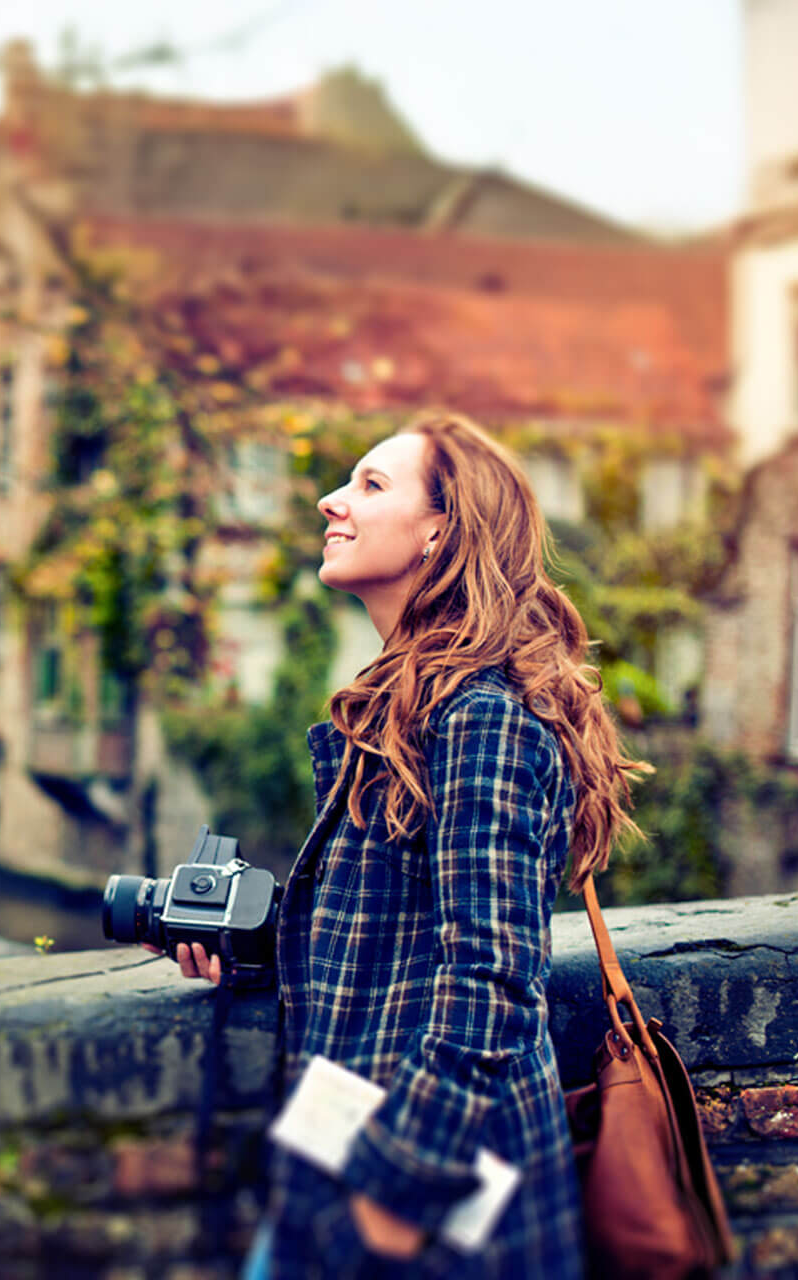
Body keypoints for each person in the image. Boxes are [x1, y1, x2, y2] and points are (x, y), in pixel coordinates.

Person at [162, 412, 648, 1279]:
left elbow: (495, 977)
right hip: (340, 1170)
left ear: (441, 532)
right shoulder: (406, 705)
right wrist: (245, 952)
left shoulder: (481, 720)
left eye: (370, 485)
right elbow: (395, 940)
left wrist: (400, 1189)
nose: (329, 500)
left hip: (429, 1206)